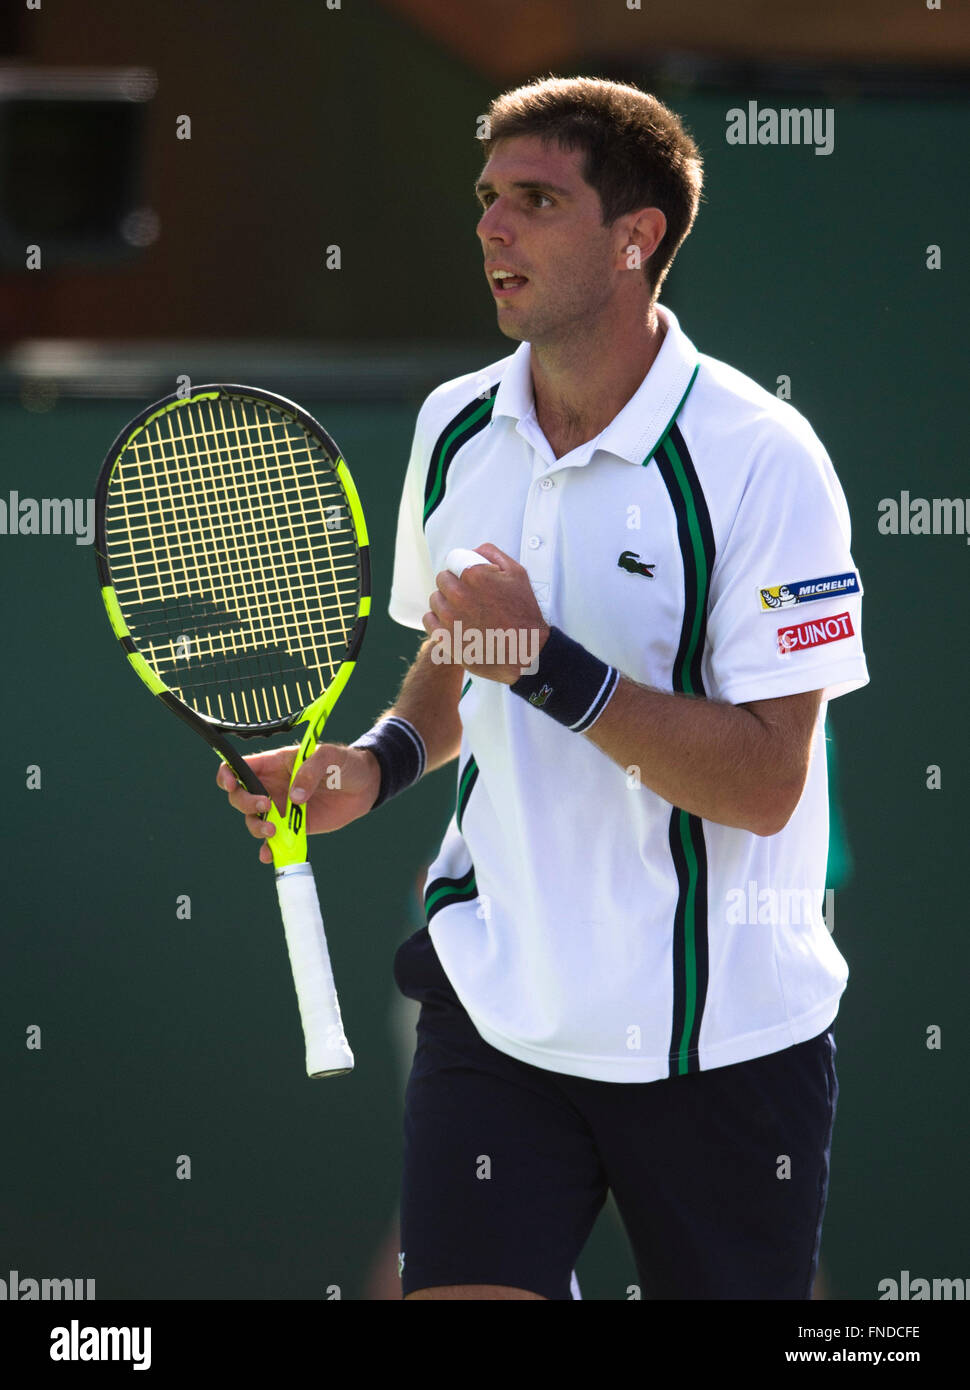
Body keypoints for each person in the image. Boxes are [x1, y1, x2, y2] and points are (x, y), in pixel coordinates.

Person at [217, 75, 869, 1301]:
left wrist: (550, 666)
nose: (490, 230)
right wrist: (378, 761)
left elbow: (767, 782)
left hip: (724, 1042)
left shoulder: (765, 462)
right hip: (497, 1005)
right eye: (485, 199)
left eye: (535, 200)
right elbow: (459, 652)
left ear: (637, 238)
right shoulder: (455, 427)